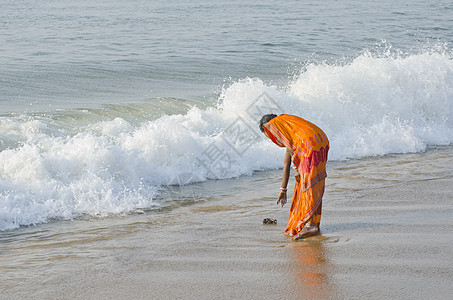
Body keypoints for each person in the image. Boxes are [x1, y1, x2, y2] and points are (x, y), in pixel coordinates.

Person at [259, 114, 329, 240]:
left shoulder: (276, 124)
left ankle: (311, 225)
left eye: (269, 135)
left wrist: (297, 169)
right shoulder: (292, 130)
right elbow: (286, 163)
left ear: (269, 127)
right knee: (314, 181)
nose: (272, 139)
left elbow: (291, 161)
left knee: (308, 184)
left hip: (309, 144)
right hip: (320, 139)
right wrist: (283, 190)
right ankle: (312, 223)